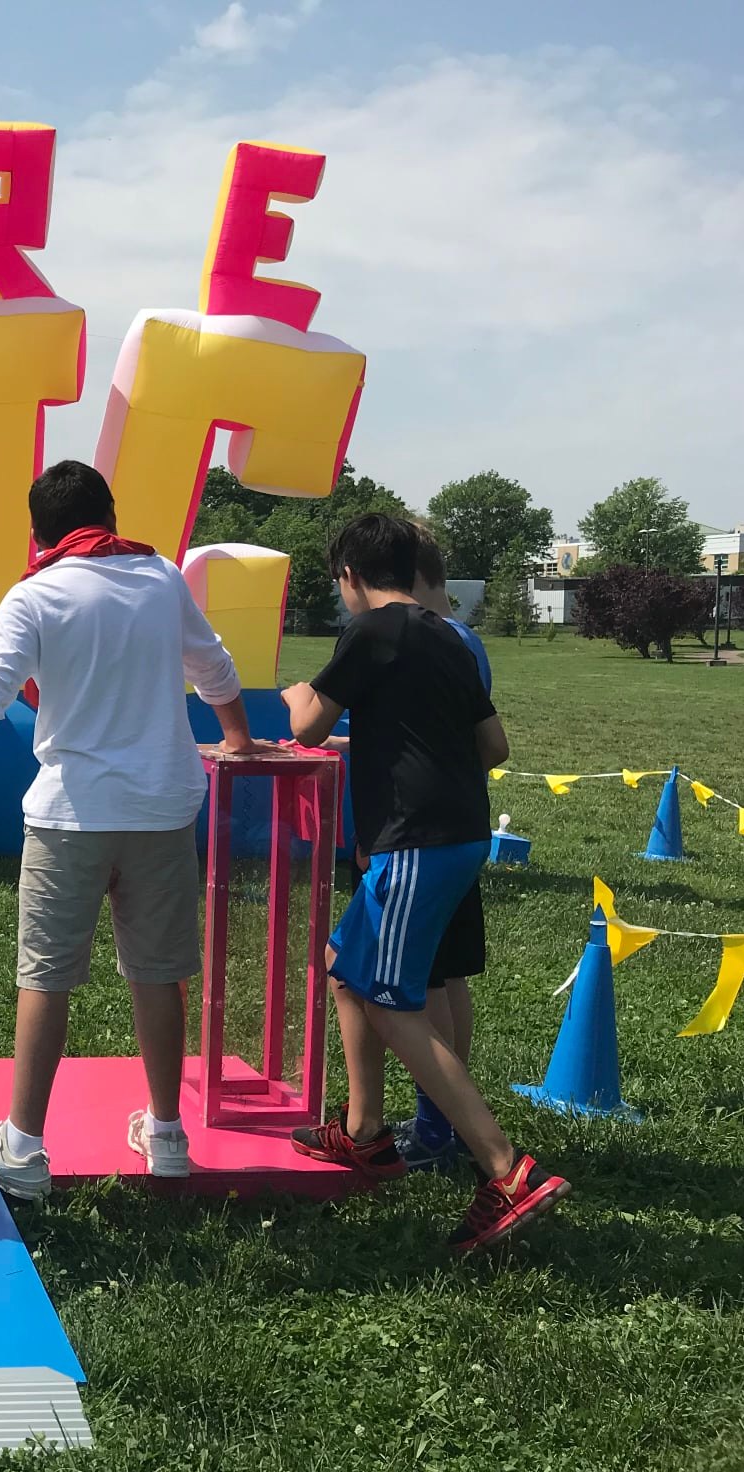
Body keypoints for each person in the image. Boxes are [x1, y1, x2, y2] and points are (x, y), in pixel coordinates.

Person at [0, 459, 259, 1197]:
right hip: (163, 808)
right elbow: (215, 667)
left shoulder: (37, 594)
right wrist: (241, 740)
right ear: (111, 516)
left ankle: (23, 1149)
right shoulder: (160, 577)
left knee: (46, 976)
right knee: (159, 975)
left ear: (38, 531)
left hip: (71, 817)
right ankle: (165, 1135)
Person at [283, 513, 568, 1252]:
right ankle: (366, 1133)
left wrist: (290, 693)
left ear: (349, 575)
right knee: (347, 969)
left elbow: (309, 725)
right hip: (461, 835)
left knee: (389, 1001)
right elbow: (494, 745)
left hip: (412, 842)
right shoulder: (448, 637)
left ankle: (506, 1170)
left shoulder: (371, 631)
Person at [394, 525, 494, 1170]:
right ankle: (450, 1117)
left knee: (423, 980)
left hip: (421, 832)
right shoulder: (466, 638)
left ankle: (438, 1123)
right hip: (463, 822)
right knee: (447, 974)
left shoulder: (419, 639)